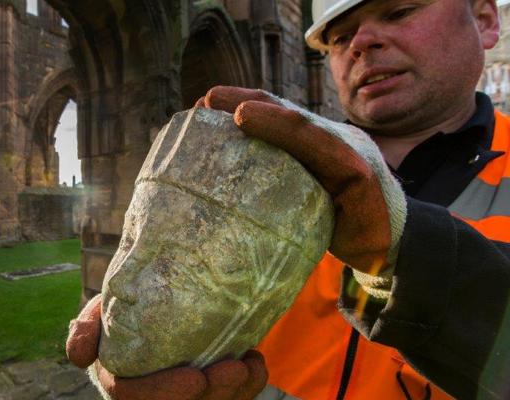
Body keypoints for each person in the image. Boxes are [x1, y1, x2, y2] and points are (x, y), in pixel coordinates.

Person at [66, 0, 510, 399]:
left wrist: (406, 247)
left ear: (485, 20)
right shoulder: (267, 167)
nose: (362, 42)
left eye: (398, 11)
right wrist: (136, 358)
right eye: (339, 36)